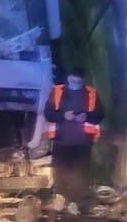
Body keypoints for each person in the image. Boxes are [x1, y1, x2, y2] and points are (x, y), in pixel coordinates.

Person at [43, 66, 103, 206]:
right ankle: (60, 206)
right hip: (61, 143)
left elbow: (99, 115)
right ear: (68, 77)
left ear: (83, 79)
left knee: (80, 177)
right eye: (73, 76)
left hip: (82, 144)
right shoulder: (57, 92)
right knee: (60, 176)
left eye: (78, 78)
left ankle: (78, 206)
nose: (75, 80)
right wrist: (63, 115)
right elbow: (48, 114)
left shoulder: (91, 94)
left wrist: (86, 116)